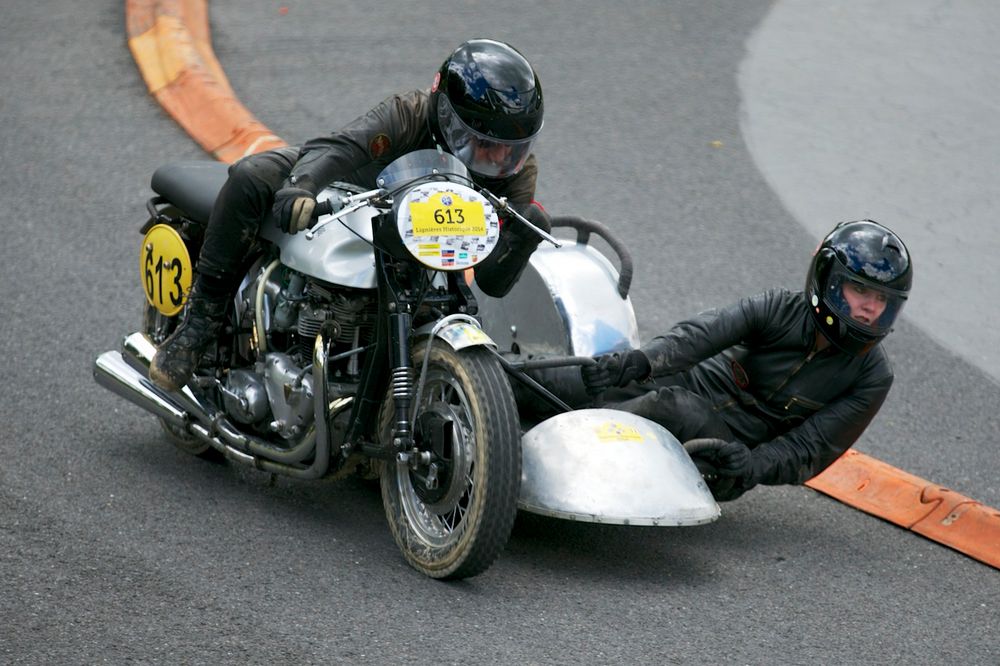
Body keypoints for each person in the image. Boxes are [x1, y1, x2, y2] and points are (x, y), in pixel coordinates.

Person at [150, 39, 549, 392]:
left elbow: (491, 282)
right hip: (348, 187)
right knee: (250, 176)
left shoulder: (516, 172)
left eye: (512, 147)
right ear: (447, 117)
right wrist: (301, 186)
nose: (500, 158)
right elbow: (340, 149)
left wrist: (518, 243)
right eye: (485, 143)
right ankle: (199, 324)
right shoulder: (407, 115)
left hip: (416, 240)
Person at [578, 219, 912, 501]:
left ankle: (572, 443)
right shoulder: (778, 308)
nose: (871, 309)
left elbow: (811, 449)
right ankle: (541, 418)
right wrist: (636, 363)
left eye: (882, 298)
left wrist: (753, 465)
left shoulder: (873, 376)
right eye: (860, 290)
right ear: (829, 279)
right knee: (584, 374)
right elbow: (698, 336)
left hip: (729, 455)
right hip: (685, 386)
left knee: (676, 406)